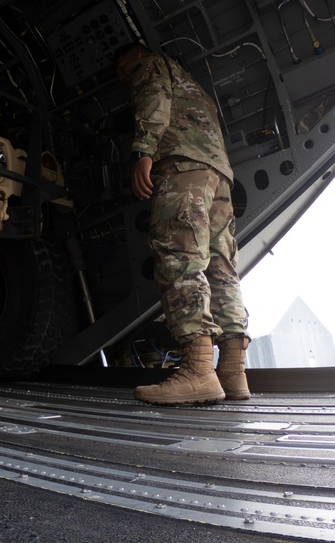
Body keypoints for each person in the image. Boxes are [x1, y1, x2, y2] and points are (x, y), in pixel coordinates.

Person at [115, 43, 251, 405]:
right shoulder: (195, 86)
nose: (123, 77)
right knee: (221, 266)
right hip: (218, 177)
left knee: (179, 256)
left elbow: (153, 100)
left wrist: (144, 151)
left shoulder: (151, 65)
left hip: (181, 168)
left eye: (123, 69)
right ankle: (233, 373)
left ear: (134, 57)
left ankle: (198, 371)